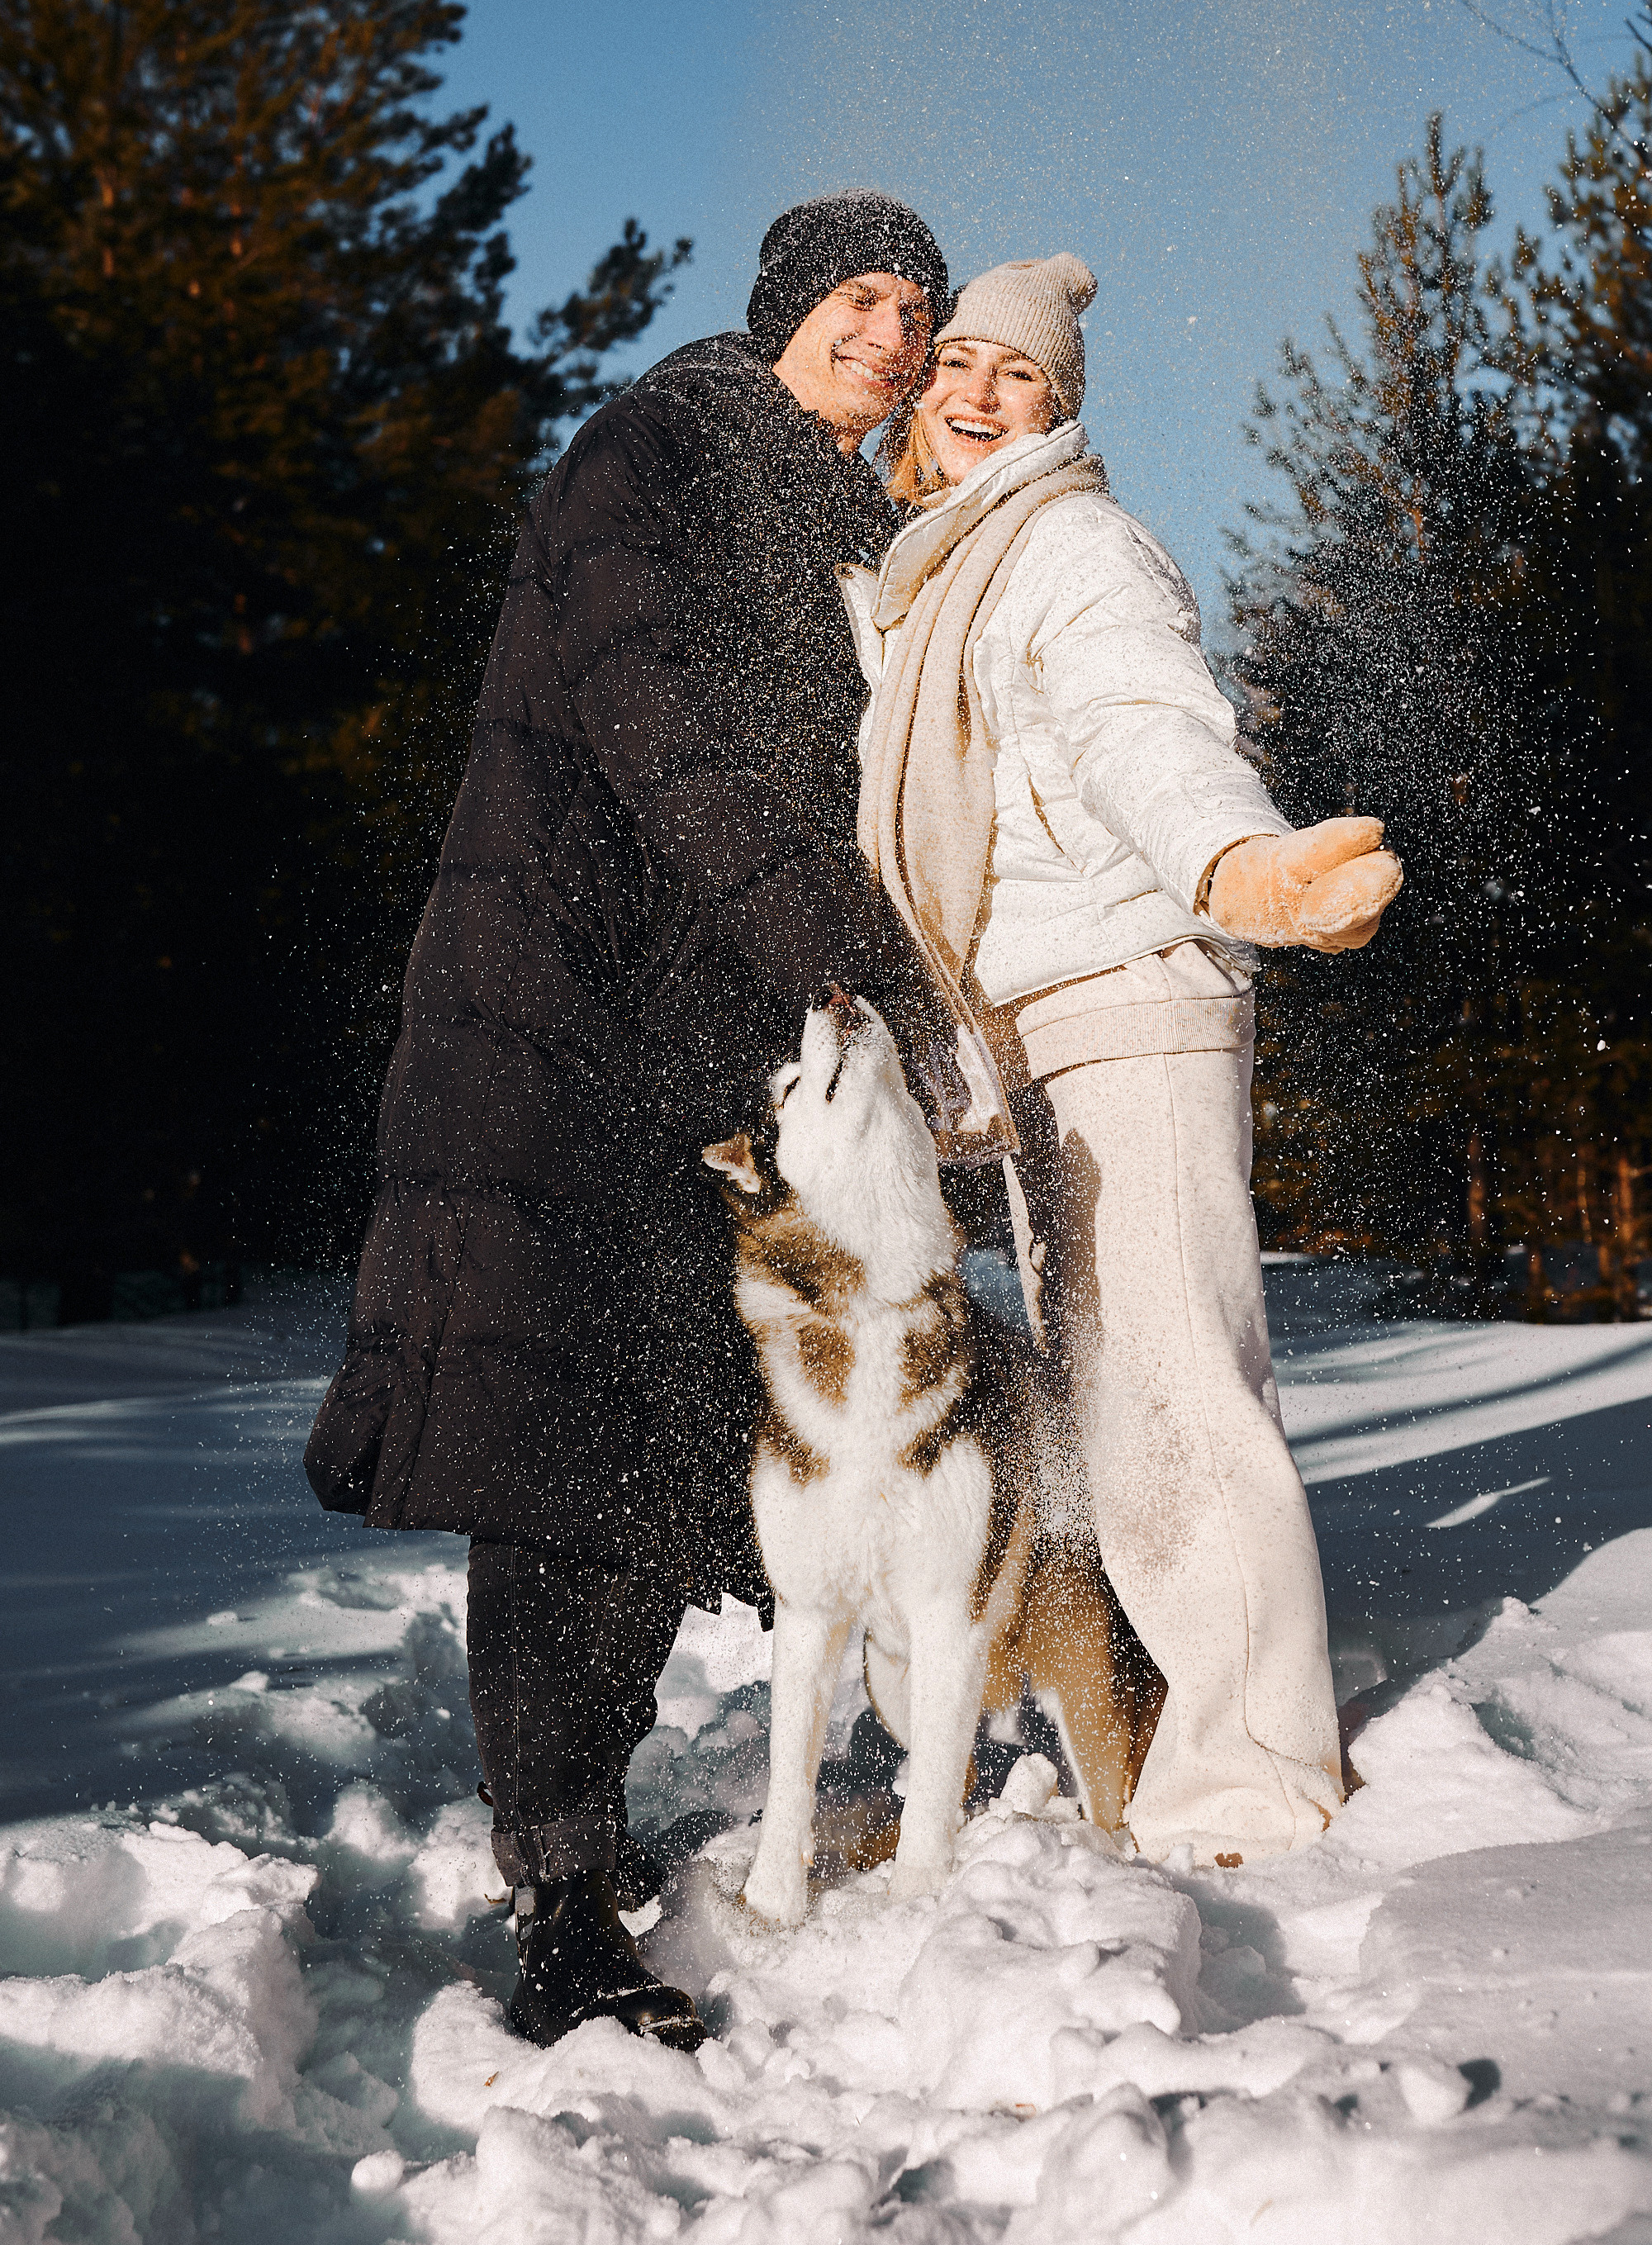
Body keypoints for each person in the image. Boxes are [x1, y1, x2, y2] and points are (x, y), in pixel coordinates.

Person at [305, 191, 957, 2048]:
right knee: (556, 1460)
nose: (892, 333)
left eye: (916, 305)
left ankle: (582, 1838)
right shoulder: (660, 444)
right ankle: (562, 1899)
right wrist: (848, 962)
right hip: (555, 1029)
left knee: (665, 1445)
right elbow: (652, 715)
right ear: (777, 308)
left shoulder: (848, 513)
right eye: (858, 294)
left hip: (696, 1053)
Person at [850, 254, 1403, 1867]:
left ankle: (1248, 1786)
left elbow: (1143, 725)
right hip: (1043, 1037)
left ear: (1057, 410)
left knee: (1172, 1408)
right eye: (954, 359)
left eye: (1013, 376)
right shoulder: (931, 574)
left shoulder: (1070, 548)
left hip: (1128, 1004)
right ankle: (1170, 1724)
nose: (971, 390)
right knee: (1108, 1417)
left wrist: (1238, 863)